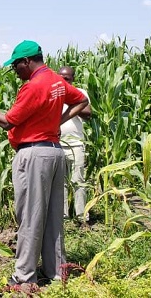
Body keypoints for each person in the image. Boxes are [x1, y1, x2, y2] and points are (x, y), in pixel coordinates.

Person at [0, 40, 88, 285]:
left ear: (27, 61)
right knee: (53, 217)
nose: (15, 72)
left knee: (30, 217)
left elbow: (8, 122)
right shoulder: (56, 81)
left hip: (34, 155)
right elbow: (81, 101)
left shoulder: (34, 86)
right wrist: (58, 123)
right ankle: (56, 272)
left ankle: (24, 277)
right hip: (55, 152)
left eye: (16, 66)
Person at [58, 66, 92, 222]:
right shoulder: (53, 93)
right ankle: (63, 216)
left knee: (78, 181)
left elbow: (88, 114)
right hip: (57, 144)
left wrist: (73, 102)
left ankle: (81, 216)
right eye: (61, 78)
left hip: (77, 144)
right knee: (60, 183)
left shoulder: (80, 94)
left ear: (73, 79)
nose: (64, 81)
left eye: (67, 79)